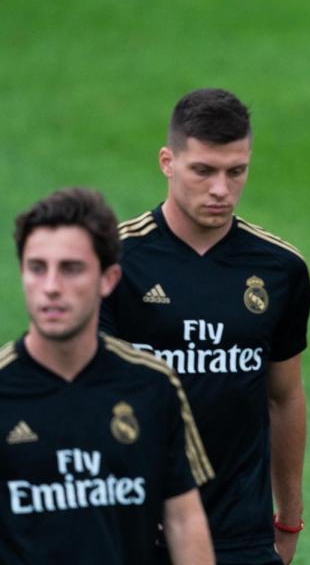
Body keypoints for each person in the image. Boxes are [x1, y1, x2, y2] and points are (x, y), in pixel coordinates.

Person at [100, 89, 310, 565]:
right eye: (203, 171)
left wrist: (289, 517)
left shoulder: (280, 269)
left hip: (242, 533)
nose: (221, 189)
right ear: (167, 162)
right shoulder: (114, 260)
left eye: (236, 171)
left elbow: (284, 395)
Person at [1, 187, 214, 564]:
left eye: (71, 269)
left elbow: (183, 518)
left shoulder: (152, 385)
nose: (51, 287)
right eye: (37, 268)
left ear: (109, 279)